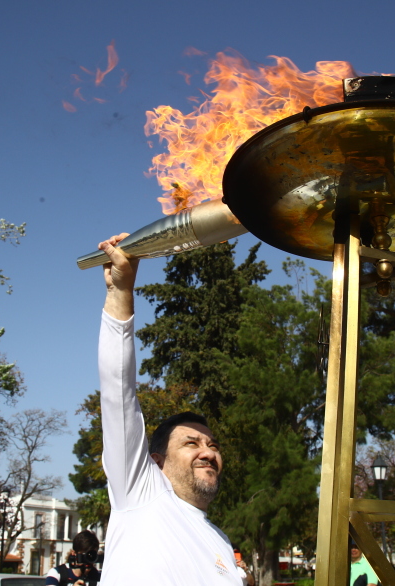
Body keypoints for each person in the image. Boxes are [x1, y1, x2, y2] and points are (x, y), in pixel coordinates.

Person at [96, 233, 244, 586]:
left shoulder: (221, 542)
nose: (208, 453)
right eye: (191, 443)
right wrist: (121, 291)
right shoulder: (141, 493)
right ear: (156, 462)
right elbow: (118, 392)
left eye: (212, 445)